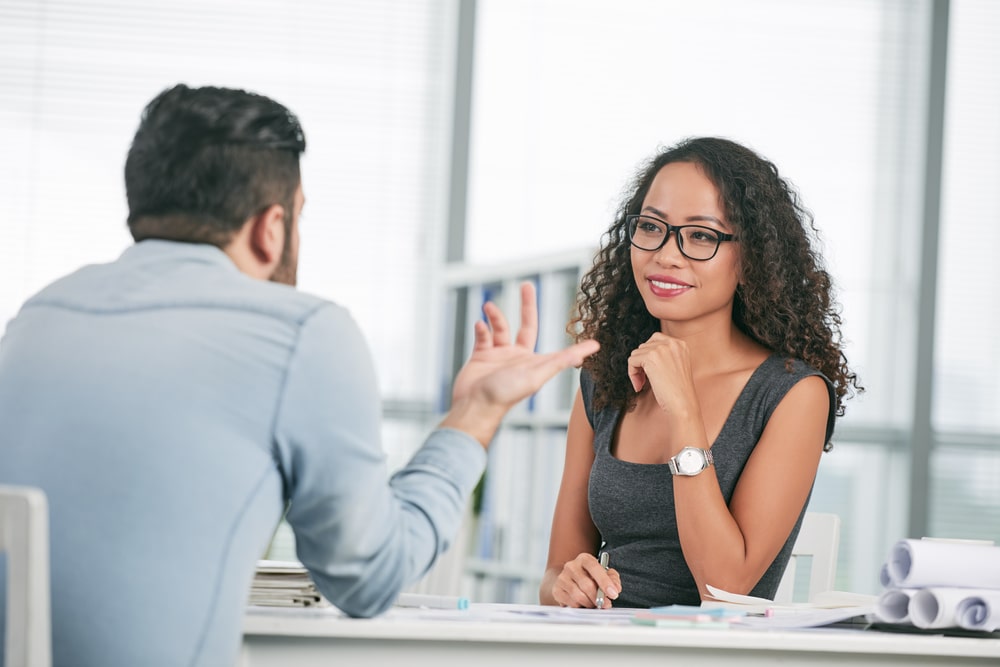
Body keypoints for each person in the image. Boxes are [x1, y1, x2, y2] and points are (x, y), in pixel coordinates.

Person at [0, 84, 598, 667]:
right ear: (271, 227)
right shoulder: (301, 330)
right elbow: (370, 579)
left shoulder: (36, 316)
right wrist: (478, 413)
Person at [539, 136, 862, 609]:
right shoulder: (603, 379)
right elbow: (552, 576)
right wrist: (566, 585)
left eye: (701, 236)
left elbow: (724, 588)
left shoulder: (792, 393)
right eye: (651, 227)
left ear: (751, 261)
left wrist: (683, 410)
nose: (666, 255)